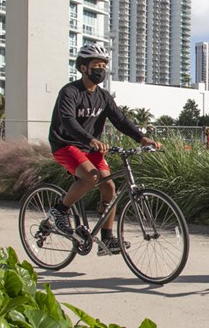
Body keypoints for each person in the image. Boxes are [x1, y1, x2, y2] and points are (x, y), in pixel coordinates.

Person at [47, 43, 161, 256]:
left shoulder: (104, 96)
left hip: (91, 148)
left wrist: (141, 138)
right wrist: (90, 138)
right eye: (96, 65)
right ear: (83, 68)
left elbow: (120, 120)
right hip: (66, 144)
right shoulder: (70, 92)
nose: (101, 69)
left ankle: (107, 238)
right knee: (91, 176)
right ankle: (60, 209)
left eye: (103, 65)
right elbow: (69, 121)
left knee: (109, 187)